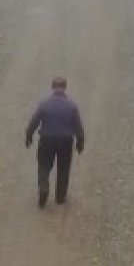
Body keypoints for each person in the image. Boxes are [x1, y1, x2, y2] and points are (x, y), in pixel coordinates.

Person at [25, 76, 85, 208]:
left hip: (47, 139)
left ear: (52, 87)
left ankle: (43, 188)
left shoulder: (44, 104)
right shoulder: (72, 106)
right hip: (66, 141)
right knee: (63, 169)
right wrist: (80, 142)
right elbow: (78, 126)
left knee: (44, 167)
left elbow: (33, 122)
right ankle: (60, 197)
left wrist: (28, 136)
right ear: (65, 88)